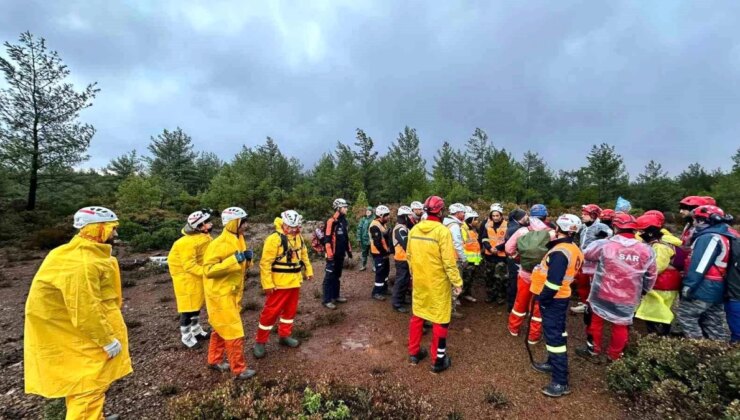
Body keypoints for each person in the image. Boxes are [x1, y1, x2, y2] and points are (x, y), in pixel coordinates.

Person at [25, 207, 132, 420]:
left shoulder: (72, 254)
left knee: (83, 384)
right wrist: (106, 340)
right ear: (98, 229)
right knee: (89, 386)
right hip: (80, 335)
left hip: (72, 332)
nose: (116, 234)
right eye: (112, 229)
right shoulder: (83, 263)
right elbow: (84, 309)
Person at [577, 213, 657, 363]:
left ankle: (593, 349)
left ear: (615, 227)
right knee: (621, 325)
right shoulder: (646, 250)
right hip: (629, 295)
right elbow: (651, 274)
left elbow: (586, 254)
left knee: (596, 321)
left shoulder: (605, 244)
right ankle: (614, 355)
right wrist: (644, 290)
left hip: (602, 290)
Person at [529, 214, 584, 398]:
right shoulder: (573, 248)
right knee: (558, 332)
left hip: (553, 299)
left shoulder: (560, 252)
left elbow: (553, 282)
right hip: (561, 297)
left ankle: (560, 381)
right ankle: (552, 363)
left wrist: (543, 298)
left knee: (555, 340)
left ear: (559, 229)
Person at [407, 196, 464, 373]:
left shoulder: (414, 229)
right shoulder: (442, 231)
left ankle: (414, 353)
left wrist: (414, 275)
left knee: (418, 315)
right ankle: (437, 361)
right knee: (441, 320)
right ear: (440, 211)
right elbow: (448, 261)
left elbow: (409, 257)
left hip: (420, 281)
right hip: (438, 284)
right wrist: (457, 282)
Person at [203, 207, 256, 380]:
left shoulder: (238, 238)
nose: (246, 226)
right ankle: (239, 369)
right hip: (220, 295)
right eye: (243, 222)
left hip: (232, 293)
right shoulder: (217, 244)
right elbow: (209, 270)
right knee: (234, 331)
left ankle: (214, 360)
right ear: (234, 222)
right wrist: (234, 259)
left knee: (220, 327)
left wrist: (248, 260)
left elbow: (240, 267)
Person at [253, 210, 314, 358]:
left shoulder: (298, 237)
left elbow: (304, 254)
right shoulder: (274, 239)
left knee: (290, 312)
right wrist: (267, 284)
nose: (293, 229)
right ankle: (260, 342)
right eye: (290, 227)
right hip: (279, 284)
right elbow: (265, 263)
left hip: (294, 282)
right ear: (283, 224)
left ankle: (284, 335)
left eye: (295, 227)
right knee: (270, 313)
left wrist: (309, 270)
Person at [676, 205, 734, 341]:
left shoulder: (709, 238)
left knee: (686, 316)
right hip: (718, 286)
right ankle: (720, 353)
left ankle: (698, 349)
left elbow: (700, 265)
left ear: (703, 220)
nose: (694, 223)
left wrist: (689, 285)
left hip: (704, 286)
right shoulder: (724, 236)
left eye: (696, 219)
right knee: (714, 322)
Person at [168, 209, 214, 348]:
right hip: (186, 280)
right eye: (207, 223)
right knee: (187, 309)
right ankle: (186, 337)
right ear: (199, 227)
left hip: (196, 277)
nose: (210, 224)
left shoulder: (204, 237)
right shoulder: (185, 243)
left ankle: (196, 330)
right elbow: (189, 265)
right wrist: (208, 272)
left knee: (196, 306)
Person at [505, 216, 555, 344]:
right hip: (543, 276)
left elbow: (508, 248)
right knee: (538, 306)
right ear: (545, 217)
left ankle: (513, 328)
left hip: (524, 273)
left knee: (520, 301)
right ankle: (533, 336)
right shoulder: (553, 233)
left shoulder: (522, 231)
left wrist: (517, 258)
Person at [634, 212, 683, 336]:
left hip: (663, 283)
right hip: (666, 282)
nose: (639, 234)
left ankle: (658, 336)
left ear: (650, 232)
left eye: (641, 231)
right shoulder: (661, 242)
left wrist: (639, 272)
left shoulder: (660, 246)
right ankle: (659, 336)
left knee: (655, 311)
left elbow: (657, 267)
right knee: (659, 310)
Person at [322, 198, 353, 309]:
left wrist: (349, 252)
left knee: (337, 276)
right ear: (338, 208)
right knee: (329, 277)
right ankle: (326, 300)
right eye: (344, 207)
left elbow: (346, 238)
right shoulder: (331, 221)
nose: (346, 209)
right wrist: (330, 255)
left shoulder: (344, 221)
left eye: (346, 207)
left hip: (340, 254)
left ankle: (336, 296)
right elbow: (327, 239)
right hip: (332, 255)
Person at [479, 203, 508, 304]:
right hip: (489, 255)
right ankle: (490, 295)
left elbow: (508, 240)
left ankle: (500, 296)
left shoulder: (506, 225)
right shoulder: (488, 225)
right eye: (493, 216)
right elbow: (484, 238)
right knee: (489, 277)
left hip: (501, 256)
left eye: (497, 215)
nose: (495, 218)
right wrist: (490, 248)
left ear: (501, 215)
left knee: (501, 278)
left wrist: (498, 248)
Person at [504, 208, 530, 312]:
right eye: (526, 215)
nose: (528, 217)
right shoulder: (517, 229)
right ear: (520, 218)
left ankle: (512, 305)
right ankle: (513, 306)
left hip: (512, 258)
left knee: (513, 280)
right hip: (515, 259)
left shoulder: (513, 226)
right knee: (514, 281)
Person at [392, 206, 415, 313]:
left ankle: (401, 299)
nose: (411, 217)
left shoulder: (404, 227)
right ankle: (396, 303)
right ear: (404, 217)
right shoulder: (400, 228)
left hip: (405, 258)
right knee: (401, 280)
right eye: (409, 215)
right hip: (401, 259)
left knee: (405, 280)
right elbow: (405, 243)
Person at [370, 205, 392, 300]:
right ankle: (376, 292)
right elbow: (377, 242)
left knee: (386, 271)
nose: (388, 217)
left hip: (384, 252)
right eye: (386, 215)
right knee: (380, 272)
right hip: (378, 253)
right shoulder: (375, 225)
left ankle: (384, 288)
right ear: (381, 215)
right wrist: (384, 252)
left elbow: (384, 238)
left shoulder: (383, 224)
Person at [460, 207, 482, 302]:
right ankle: (459, 297)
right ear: (470, 220)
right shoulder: (463, 230)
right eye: (475, 219)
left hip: (474, 260)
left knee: (470, 279)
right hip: (467, 261)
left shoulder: (474, 230)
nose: (477, 221)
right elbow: (462, 244)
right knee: (465, 279)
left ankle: (466, 294)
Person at [357, 206, 374, 271]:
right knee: (364, 253)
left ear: (371, 212)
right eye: (367, 211)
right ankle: (363, 266)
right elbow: (359, 229)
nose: (367, 212)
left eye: (369, 211)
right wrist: (358, 238)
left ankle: (374, 266)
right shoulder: (363, 219)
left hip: (371, 239)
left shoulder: (374, 219)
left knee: (372, 253)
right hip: (363, 239)